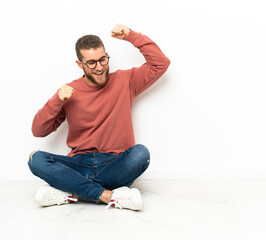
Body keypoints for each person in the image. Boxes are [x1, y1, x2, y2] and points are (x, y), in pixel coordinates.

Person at [28, 24, 170, 210]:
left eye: (103, 59)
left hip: (115, 163)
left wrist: (131, 35)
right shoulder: (70, 92)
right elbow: (38, 131)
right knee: (35, 158)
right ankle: (107, 195)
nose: (100, 67)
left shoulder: (126, 80)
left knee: (141, 153)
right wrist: (56, 100)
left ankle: (73, 191)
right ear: (80, 64)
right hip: (78, 163)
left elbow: (161, 63)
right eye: (91, 63)